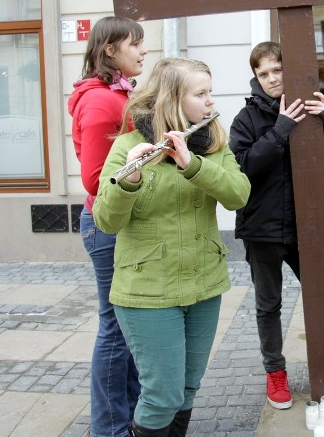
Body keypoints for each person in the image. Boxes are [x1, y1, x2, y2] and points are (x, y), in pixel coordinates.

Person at [92, 58, 251, 437]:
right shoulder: (129, 146)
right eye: (201, 94)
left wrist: (192, 163)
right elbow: (106, 221)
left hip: (203, 284)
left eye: (210, 92)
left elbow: (238, 195)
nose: (211, 102)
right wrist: (129, 178)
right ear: (172, 99)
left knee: (187, 389)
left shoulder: (212, 144)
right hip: (147, 291)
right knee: (162, 394)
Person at [229, 41, 324, 411]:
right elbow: (242, 171)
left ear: (290, 68)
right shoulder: (245, 119)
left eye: (276, 70)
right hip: (261, 230)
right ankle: (275, 372)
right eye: (262, 73)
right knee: (269, 305)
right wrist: (280, 129)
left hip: (305, 228)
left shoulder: (316, 109)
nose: (270, 79)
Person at [68, 16, 145, 437]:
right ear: (110, 50)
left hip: (115, 222)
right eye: (135, 43)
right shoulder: (101, 101)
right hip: (106, 225)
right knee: (116, 329)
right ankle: (111, 428)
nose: (143, 51)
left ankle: (128, 417)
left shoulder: (117, 94)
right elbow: (97, 179)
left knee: (127, 326)